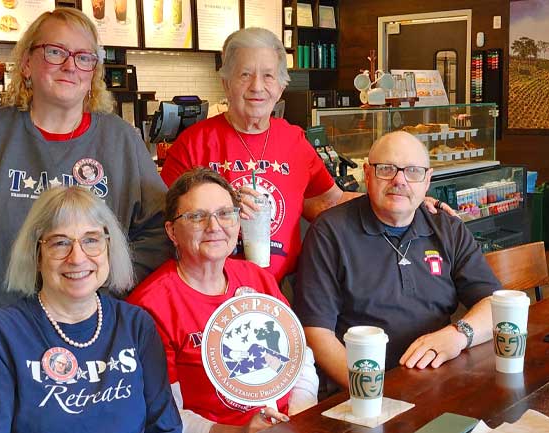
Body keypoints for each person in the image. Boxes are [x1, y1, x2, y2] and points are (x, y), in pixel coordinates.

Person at [0, 7, 170, 363]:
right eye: (55, 52)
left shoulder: (123, 143)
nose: (70, 65)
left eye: (84, 57)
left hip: (97, 349)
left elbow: (160, 234)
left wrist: (106, 278)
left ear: (93, 72)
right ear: (26, 63)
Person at [160, 27, 449, 284]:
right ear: (226, 83)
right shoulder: (193, 143)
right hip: (211, 288)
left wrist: (406, 200)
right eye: (244, 75)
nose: (257, 87)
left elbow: (329, 202)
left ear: (282, 85)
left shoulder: (293, 140)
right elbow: (167, 221)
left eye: (269, 76)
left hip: (279, 289)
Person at [0, 186, 182, 433]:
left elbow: (164, 426)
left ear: (109, 248)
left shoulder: (137, 325)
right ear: (37, 255)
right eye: (60, 243)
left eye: (91, 240)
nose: (77, 258)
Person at [293, 131, 501, 391]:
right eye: (387, 169)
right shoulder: (330, 232)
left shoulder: (447, 228)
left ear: (427, 180)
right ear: (367, 174)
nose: (399, 180)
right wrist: (370, 390)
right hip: (360, 388)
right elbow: (316, 331)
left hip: (438, 380)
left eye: (413, 171)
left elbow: (495, 305)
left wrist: (459, 335)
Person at [127, 168, 318, 433]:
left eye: (225, 214)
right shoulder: (151, 306)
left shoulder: (256, 277)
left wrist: (299, 416)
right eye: (196, 217)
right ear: (171, 231)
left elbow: (300, 358)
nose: (214, 227)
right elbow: (167, 415)